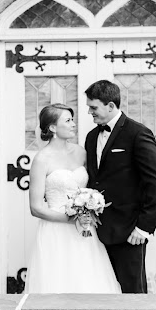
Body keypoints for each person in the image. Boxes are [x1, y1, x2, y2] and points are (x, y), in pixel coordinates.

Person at [25, 103, 121, 293]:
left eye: (72, 120)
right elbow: (35, 207)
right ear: (52, 127)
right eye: (68, 120)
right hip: (56, 231)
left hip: (85, 229)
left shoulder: (81, 152)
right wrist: (71, 219)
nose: (73, 124)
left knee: (89, 281)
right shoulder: (42, 159)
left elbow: (95, 185)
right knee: (57, 282)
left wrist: (92, 205)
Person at [84, 80, 156, 293]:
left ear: (111, 106)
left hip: (130, 231)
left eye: (93, 108)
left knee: (133, 293)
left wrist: (144, 227)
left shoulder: (138, 133)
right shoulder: (92, 137)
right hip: (96, 230)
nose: (89, 113)